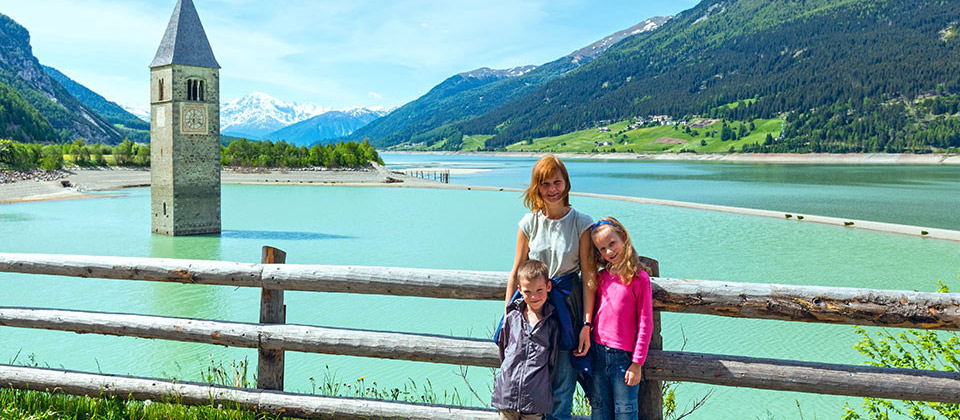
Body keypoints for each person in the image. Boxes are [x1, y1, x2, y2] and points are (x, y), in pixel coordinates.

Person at [500, 154, 597, 420]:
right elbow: (516, 271)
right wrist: (509, 315)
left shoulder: (582, 223)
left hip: (567, 313)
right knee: (528, 383)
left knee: (563, 389)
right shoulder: (528, 223)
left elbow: (589, 277)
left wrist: (586, 325)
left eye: (557, 182)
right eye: (545, 183)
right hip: (532, 315)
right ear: (536, 187)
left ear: (567, 184)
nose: (552, 189)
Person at [588, 217, 654, 420]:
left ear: (623, 238)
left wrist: (637, 363)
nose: (609, 252)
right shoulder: (601, 277)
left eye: (612, 243)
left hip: (624, 359)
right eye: (602, 249)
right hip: (598, 353)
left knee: (625, 412)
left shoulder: (639, 278)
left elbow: (646, 323)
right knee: (599, 410)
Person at [492, 260, 559, 420]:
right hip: (507, 395)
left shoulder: (551, 324)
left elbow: (552, 362)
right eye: (528, 291)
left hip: (535, 399)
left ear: (548, 287)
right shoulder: (512, 318)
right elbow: (504, 350)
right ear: (520, 290)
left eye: (539, 290)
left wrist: (542, 388)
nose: (534, 296)